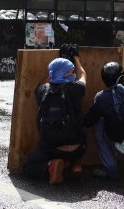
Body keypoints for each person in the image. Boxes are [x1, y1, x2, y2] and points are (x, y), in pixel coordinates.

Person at [23, 43, 87, 184]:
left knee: (28, 167)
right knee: (80, 125)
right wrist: (76, 58)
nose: (73, 74)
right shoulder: (76, 88)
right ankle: (75, 163)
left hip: (52, 148)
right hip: (78, 147)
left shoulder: (42, 91)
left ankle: (50, 166)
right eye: (70, 72)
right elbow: (83, 75)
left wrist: (55, 65)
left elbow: (44, 82)